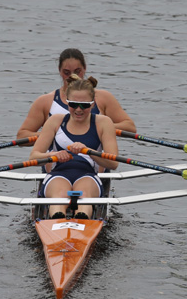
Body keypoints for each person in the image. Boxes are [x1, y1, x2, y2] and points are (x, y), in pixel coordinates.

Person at [29, 75, 119, 219]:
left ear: (93, 103)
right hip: (58, 174)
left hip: (88, 175)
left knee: (84, 197)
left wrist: (89, 152)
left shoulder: (103, 123)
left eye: (84, 105)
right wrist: (53, 156)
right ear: (67, 102)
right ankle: (57, 222)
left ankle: (82, 222)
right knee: (59, 197)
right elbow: (34, 156)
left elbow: (113, 163)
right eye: (73, 104)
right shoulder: (55, 121)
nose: (78, 109)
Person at [16, 48, 136, 139]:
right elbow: (22, 136)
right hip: (56, 167)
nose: (72, 77)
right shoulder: (45, 102)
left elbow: (130, 127)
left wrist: (98, 127)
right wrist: (52, 132)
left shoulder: (103, 98)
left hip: (96, 168)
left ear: (84, 69)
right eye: (67, 72)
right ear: (59, 71)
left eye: (77, 71)